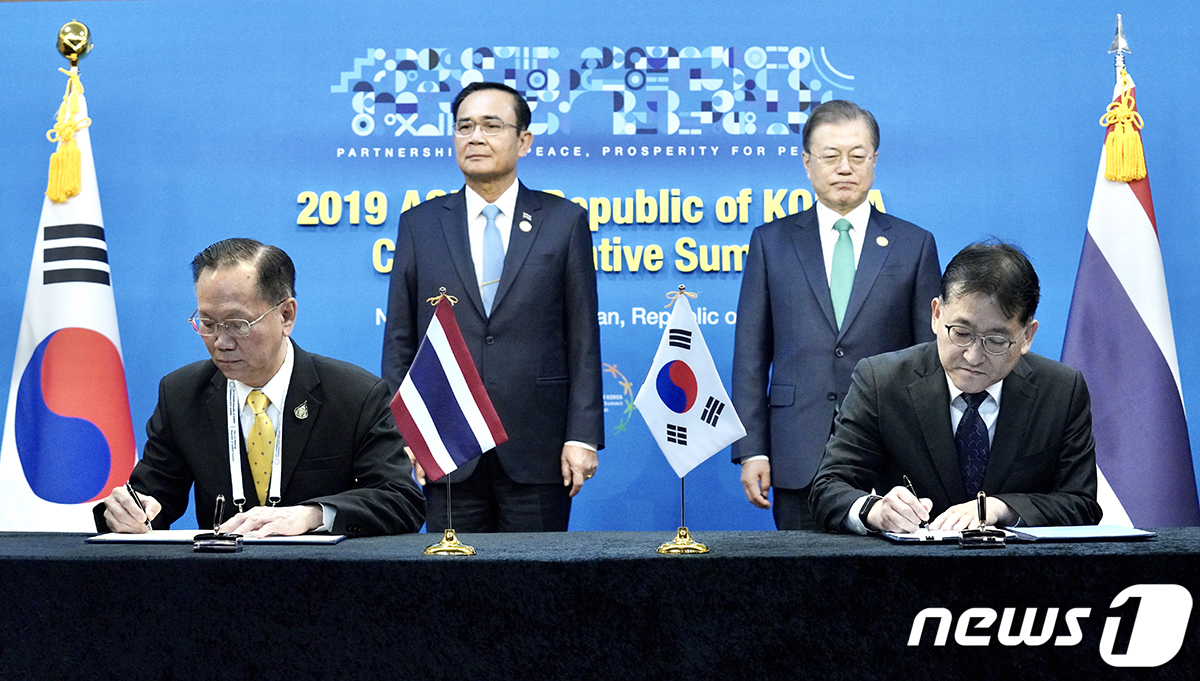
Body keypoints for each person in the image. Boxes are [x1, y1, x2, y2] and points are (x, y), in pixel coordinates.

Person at [382, 81, 602, 533]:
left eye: (491, 126)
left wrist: (581, 436)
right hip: (445, 443)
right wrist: (406, 433)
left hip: (537, 448)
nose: (475, 137)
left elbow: (582, 339)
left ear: (524, 140)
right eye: (464, 127)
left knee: (535, 573)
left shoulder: (563, 222)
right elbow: (400, 340)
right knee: (451, 573)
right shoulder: (420, 225)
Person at [97, 238, 425, 537]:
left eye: (238, 325)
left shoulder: (354, 395)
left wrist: (313, 515)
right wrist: (128, 513)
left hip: (323, 578)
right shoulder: (182, 395)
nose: (221, 342)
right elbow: (152, 498)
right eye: (208, 324)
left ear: (286, 315)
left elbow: (400, 500)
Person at [732, 99, 941, 529]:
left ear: (874, 161)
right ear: (807, 162)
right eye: (831, 156)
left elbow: (929, 357)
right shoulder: (772, 243)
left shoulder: (913, 245)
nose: (845, 168)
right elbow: (750, 355)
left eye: (857, 156)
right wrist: (752, 449)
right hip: (797, 452)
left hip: (889, 453)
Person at [809, 242, 1102, 532]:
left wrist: (1000, 508)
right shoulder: (882, 381)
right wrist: (875, 511)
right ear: (937, 315)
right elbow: (828, 487)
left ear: (1027, 336)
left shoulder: (1061, 391)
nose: (973, 356)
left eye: (996, 341)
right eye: (961, 333)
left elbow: (1081, 504)